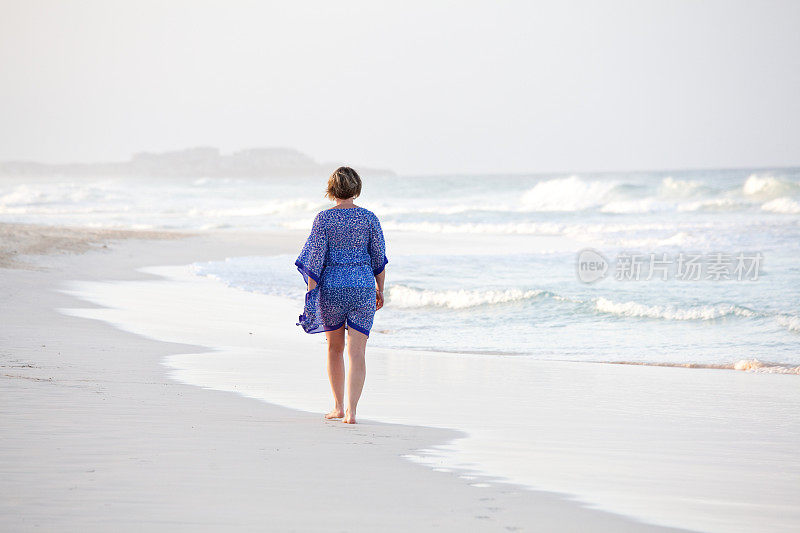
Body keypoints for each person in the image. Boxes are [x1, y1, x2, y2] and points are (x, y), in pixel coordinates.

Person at [295, 167, 388, 424]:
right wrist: (380, 289)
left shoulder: (323, 219)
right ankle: (352, 412)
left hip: (332, 288)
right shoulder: (369, 218)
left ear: (331, 189)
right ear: (356, 187)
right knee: (357, 353)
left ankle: (337, 406)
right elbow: (378, 259)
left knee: (334, 349)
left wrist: (310, 295)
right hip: (362, 287)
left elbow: (314, 260)